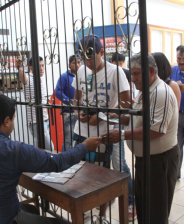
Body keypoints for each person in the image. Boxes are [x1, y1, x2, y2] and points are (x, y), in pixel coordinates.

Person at [0, 93, 101, 224]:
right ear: (7, 121)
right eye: (14, 119)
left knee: (31, 209)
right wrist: (84, 146)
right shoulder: (13, 150)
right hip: (4, 219)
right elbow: (57, 162)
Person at [102, 54, 179, 224]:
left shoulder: (161, 92)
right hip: (145, 160)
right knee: (144, 207)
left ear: (151, 71)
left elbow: (155, 130)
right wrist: (118, 116)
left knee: (156, 212)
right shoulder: (145, 90)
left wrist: (122, 135)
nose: (132, 78)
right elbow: (137, 119)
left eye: (136, 73)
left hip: (160, 161)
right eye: (133, 73)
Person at [72, 35, 130, 220]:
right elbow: (76, 100)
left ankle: (102, 215)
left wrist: (103, 116)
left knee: (101, 180)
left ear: (102, 52)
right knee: (79, 174)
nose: (87, 63)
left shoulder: (116, 72)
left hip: (103, 135)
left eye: (91, 57)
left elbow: (126, 105)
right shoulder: (81, 71)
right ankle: (84, 213)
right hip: (80, 132)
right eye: (84, 58)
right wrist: (77, 113)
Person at [110, 52, 135, 220]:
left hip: (117, 123)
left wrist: (113, 112)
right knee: (113, 162)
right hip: (108, 123)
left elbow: (126, 103)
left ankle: (131, 200)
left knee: (119, 163)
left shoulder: (122, 74)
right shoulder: (108, 73)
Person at [16, 56, 53, 151]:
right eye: (39, 66)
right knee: (49, 148)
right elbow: (23, 78)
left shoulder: (40, 79)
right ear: (31, 68)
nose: (41, 68)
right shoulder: (29, 78)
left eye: (42, 65)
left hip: (45, 120)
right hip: (36, 121)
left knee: (41, 149)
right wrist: (20, 68)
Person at [55, 55, 82, 151]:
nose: (77, 65)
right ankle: (65, 161)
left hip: (82, 113)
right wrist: (70, 102)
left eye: (79, 62)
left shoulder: (83, 76)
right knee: (69, 139)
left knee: (80, 139)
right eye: (74, 63)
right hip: (69, 113)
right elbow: (58, 92)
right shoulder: (64, 77)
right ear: (69, 65)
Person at [170, 45, 184, 179]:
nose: (180, 62)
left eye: (183, 59)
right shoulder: (172, 70)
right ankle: (175, 174)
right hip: (178, 114)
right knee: (177, 146)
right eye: (179, 58)